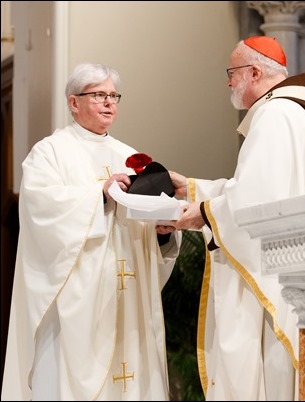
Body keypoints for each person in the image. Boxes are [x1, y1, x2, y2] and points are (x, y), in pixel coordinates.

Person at [1, 62, 182, 401]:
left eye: (114, 95)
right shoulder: (50, 152)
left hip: (128, 295)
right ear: (73, 102)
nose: (109, 102)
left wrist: (161, 231)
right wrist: (98, 193)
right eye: (99, 95)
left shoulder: (130, 156)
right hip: (77, 296)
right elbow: (40, 209)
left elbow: (149, 230)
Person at [163, 36, 305, 401]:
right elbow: (262, 189)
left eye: (232, 73)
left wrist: (202, 213)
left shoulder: (275, 115)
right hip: (298, 270)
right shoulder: (299, 115)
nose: (228, 82)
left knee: (272, 373)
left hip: (278, 278)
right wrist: (192, 187)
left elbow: (254, 202)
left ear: (254, 72)